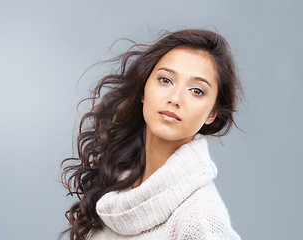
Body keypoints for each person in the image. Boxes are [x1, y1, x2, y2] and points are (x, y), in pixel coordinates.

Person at [60, 29, 242, 240]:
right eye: (165, 80)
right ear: (143, 90)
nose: (175, 98)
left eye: (197, 90)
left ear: (212, 113)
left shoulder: (202, 222)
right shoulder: (117, 176)